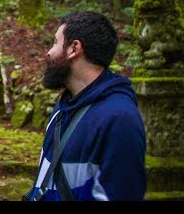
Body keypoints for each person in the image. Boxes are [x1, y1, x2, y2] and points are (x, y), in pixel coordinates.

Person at [26, 11, 146, 201]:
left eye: (56, 42)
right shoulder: (64, 107)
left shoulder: (118, 119)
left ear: (74, 48)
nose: (48, 52)